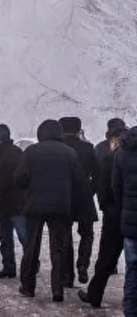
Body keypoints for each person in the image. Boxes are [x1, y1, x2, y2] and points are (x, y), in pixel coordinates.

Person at [15, 119, 88, 303]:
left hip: (35, 205)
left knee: (32, 246)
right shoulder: (69, 153)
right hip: (60, 206)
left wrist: (28, 189)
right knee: (58, 248)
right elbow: (79, 181)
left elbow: (20, 178)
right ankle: (58, 289)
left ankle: (28, 286)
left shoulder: (31, 152)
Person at [80, 122, 127, 308]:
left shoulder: (110, 158)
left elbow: (103, 188)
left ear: (113, 139)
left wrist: (105, 206)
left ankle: (95, 295)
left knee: (106, 257)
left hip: (114, 215)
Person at [59, 116, 98, 286]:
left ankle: (67, 276)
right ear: (78, 130)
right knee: (87, 233)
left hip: (63, 196)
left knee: (65, 236)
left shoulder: (59, 149)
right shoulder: (88, 148)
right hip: (84, 195)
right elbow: (98, 174)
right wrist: (91, 190)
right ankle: (83, 264)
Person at [0, 124, 26, 279]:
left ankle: (28, 264)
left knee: (23, 237)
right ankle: (9, 266)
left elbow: (14, 175)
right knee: (5, 238)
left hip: (14, 201)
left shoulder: (14, 153)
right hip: (3, 201)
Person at [113, 125, 137, 315]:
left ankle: (130, 311)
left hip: (130, 221)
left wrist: (125, 208)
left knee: (132, 271)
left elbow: (116, 186)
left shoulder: (122, 153)